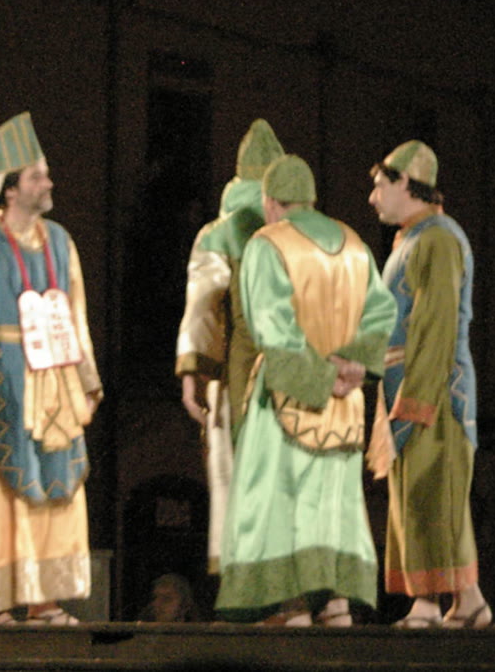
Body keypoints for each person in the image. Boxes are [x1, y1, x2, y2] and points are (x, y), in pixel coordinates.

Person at [215, 155, 396, 625]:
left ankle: (293, 605)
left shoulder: (268, 244)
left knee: (281, 500)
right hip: (345, 404)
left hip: (289, 395)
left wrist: (318, 376)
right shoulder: (354, 245)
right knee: (333, 505)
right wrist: (354, 364)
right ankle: (335, 604)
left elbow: (272, 325)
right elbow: (381, 312)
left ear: (271, 202)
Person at [0, 112, 103, 623]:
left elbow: (76, 314)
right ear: (10, 189)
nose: (48, 183)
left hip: (55, 380)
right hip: (4, 379)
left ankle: (45, 600)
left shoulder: (61, 241)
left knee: (57, 485)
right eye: (37, 176)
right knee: (0, 490)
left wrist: (86, 381)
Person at [365, 140, 490, 628]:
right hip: (410, 381)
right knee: (426, 495)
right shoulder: (413, 239)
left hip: (435, 389)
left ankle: (426, 604)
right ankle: (470, 602)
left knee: (430, 495)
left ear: (405, 183)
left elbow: (436, 322)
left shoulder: (437, 239)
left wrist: (417, 396)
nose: (373, 197)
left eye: (380, 186)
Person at [174, 118, 283, 580]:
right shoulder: (302, 234)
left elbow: (205, 301)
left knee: (233, 473)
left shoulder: (219, 233)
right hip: (294, 373)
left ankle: (246, 586)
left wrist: (192, 370)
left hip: (237, 369)